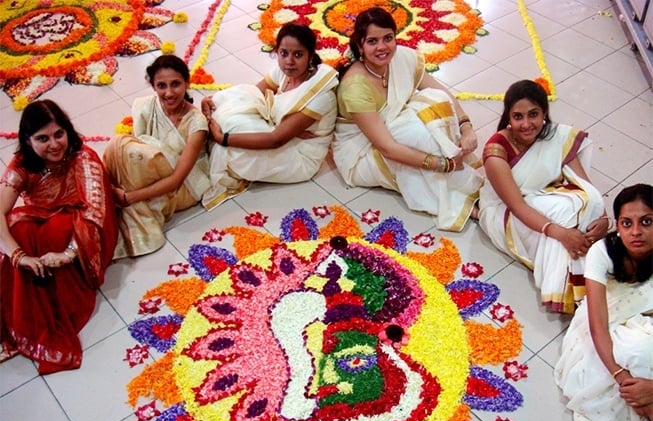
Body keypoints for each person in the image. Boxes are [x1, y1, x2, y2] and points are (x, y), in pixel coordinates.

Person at [331, 7, 483, 232]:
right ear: (360, 46)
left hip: (393, 131)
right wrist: (443, 164)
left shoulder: (401, 57)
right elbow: (387, 148)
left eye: (388, 38)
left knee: (435, 102)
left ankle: (463, 184)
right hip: (361, 152)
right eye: (372, 41)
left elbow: (442, 92)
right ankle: (462, 200)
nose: (382, 47)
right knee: (418, 135)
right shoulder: (355, 86)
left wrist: (466, 127)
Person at [0, 100, 118, 374]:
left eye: (58, 134)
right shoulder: (22, 165)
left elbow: (95, 215)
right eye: (43, 138)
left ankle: (56, 308)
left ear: (67, 132)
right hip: (43, 223)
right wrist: (21, 257)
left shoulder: (84, 158)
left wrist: (66, 254)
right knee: (18, 228)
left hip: (85, 233)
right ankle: (29, 316)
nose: (54, 144)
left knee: (53, 231)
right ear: (28, 141)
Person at [478, 80, 609, 314]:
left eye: (533, 115)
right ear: (508, 116)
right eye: (518, 117)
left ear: (544, 114)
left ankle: (578, 278)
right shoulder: (496, 152)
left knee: (586, 203)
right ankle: (572, 289)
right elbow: (517, 205)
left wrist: (604, 217)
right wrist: (562, 233)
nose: (526, 124)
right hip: (506, 212)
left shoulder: (554, 136)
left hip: (546, 196)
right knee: (566, 218)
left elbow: (584, 184)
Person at [554, 184, 652, 421]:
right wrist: (623, 379)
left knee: (643, 351)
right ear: (618, 226)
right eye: (627, 223)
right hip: (605, 324)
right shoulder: (603, 251)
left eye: (646, 222)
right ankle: (609, 418)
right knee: (635, 354)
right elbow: (597, 324)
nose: (636, 231)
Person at [200, 23, 339, 210]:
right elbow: (251, 96)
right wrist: (216, 101)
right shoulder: (283, 73)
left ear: (310, 56)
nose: (289, 61)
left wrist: (222, 138)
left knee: (228, 149)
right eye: (284, 53)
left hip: (300, 155)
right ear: (277, 52)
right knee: (234, 102)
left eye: (298, 55)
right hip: (279, 132)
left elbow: (275, 140)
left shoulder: (320, 95)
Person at [103, 54, 211, 258]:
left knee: (125, 154)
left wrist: (128, 197)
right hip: (152, 173)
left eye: (176, 84)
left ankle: (115, 198)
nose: (169, 93)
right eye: (161, 86)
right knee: (119, 145)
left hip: (183, 186)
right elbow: (138, 152)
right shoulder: (147, 106)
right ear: (153, 87)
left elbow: (177, 179)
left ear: (187, 83)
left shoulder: (197, 123)